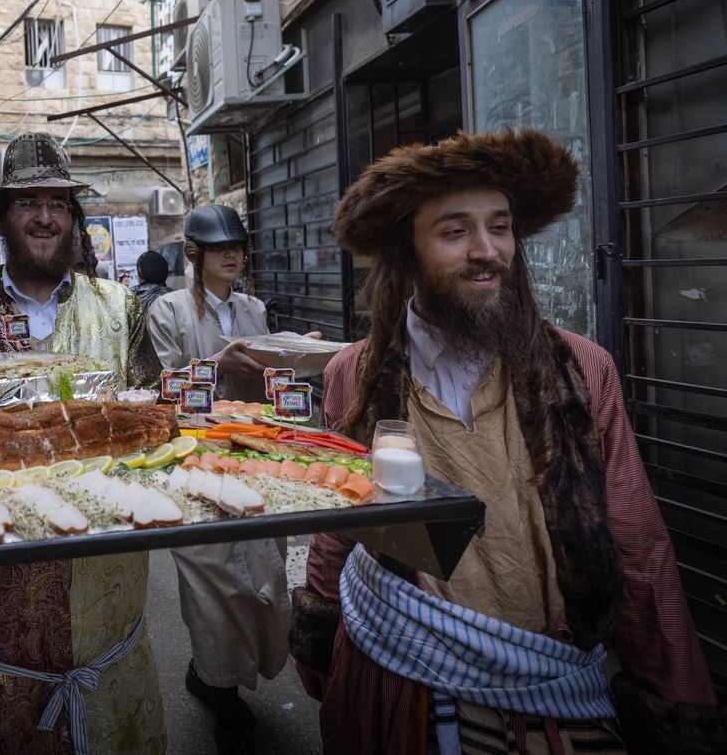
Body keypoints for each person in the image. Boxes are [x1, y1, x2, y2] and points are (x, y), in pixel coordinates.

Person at [292, 129, 720, 754]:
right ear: (408, 250)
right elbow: (340, 512)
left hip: (548, 673)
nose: (487, 250)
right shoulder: (354, 373)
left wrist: (676, 692)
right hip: (399, 665)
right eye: (455, 230)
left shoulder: (582, 368)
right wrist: (321, 623)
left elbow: (636, 536)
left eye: (501, 226)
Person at [0, 132, 167, 754]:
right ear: (2, 217)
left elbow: (158, 430)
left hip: (103, 587)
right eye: (27, 201)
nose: (43, 216)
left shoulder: (121, 310)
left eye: (57, 202)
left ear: (74, 218)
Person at [146, 205, 288, 755]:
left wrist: (293, 364)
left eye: (238, 246)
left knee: (264, 565)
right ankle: (217, 686)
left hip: (255, 452)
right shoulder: (168, 309)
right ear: (195, 256)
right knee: (212, 576)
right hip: (196, 455)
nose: (233, 254)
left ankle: (229, 674)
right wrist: (216, 365)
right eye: (219, 247)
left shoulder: (255, 308)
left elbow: (271, 380)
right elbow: (161, 388)